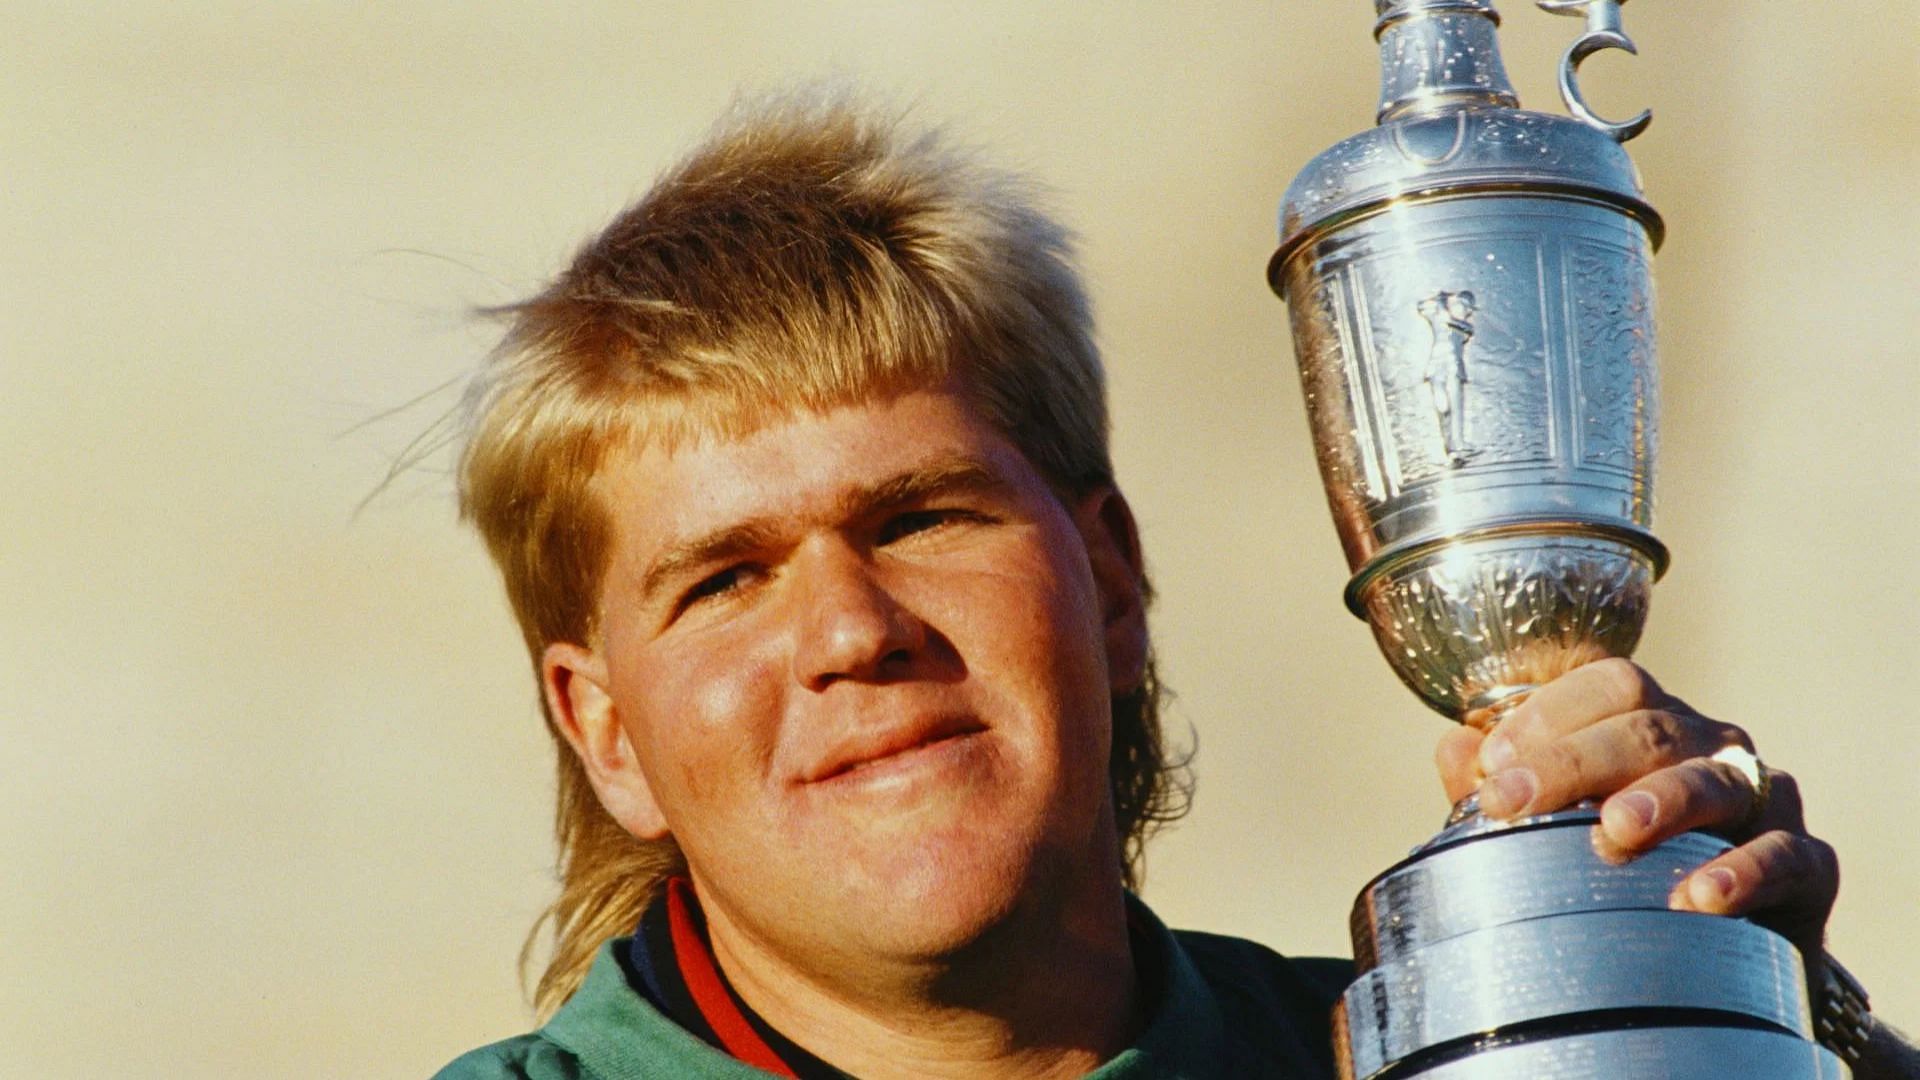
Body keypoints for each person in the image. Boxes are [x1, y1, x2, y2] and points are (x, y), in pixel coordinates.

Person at [433, 95, 1914, 1079]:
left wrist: (1757, 1011)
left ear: (1114, 577)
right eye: (724, 581)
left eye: (919, 520)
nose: (849, 632)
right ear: (603, 730)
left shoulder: (1409, 1052)